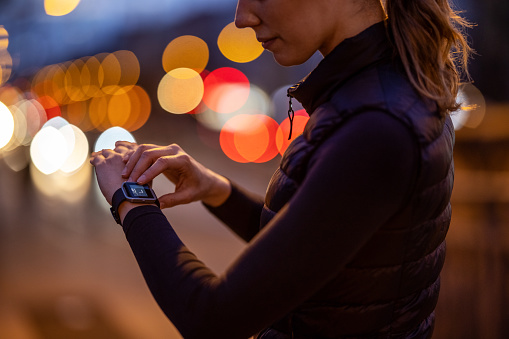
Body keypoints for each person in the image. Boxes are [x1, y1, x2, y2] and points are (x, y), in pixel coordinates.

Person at [90, 0, 471, 338]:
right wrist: (216, 189)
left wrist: (132, 201)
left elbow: (212, 319)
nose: (241, 17)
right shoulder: (377, 94)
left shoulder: (376, 125)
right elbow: (308, 251)